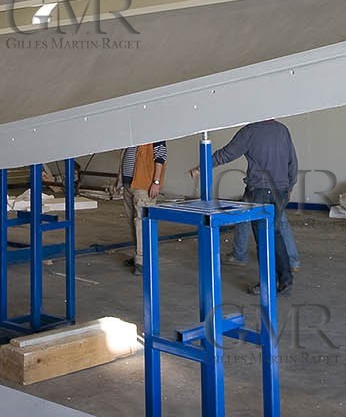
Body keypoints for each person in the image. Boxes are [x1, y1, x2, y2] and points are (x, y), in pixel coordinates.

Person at [189, 119, 298, 294]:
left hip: (261, 191)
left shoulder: (251, 131)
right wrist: (290, 186)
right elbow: (292, 160)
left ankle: (268, 283)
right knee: (274, 233)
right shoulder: (282, 129)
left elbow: (227, 153)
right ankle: (285, 279)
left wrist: (201, 166)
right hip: (281, 190)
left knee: (264, 237)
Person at [117, 141, 165, 275]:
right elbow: (125, 154)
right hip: (129, 183)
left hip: (143, 185)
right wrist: (120, 178)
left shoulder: (154, 133)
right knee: (132, 221)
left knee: (141, 223)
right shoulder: (132, 134)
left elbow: (160, 157)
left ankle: (143, 260)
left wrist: (156, 182)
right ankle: (138, 255)